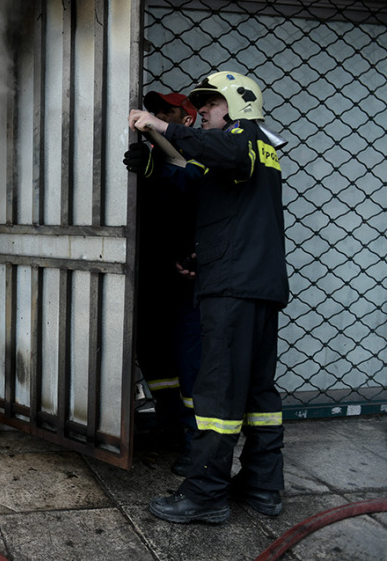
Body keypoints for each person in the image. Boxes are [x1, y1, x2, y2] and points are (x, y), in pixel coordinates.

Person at [128, 71, 289, 524]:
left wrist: (161, 127)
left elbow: (216, 150)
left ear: (238, 105)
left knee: (217, 393)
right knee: (258, 393)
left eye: (211, 106)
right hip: (255, 283)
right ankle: (262, 487)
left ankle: (205, 494)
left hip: (233, 290)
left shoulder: (243, 138)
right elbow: (213, 199)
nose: (202, 116)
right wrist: (203, 255)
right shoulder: (253, 152)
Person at [125, 92, 202, 476]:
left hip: (188, 282)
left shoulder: (204, 154)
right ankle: (171, 428)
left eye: (166, 112)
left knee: (190, 364)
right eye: (153, 111)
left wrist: (156, 170)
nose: (155, 116)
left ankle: (195, 446)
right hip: (151, 277)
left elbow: (192, 182)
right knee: (154, 357)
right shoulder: (149, 155)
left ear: (185, 121)